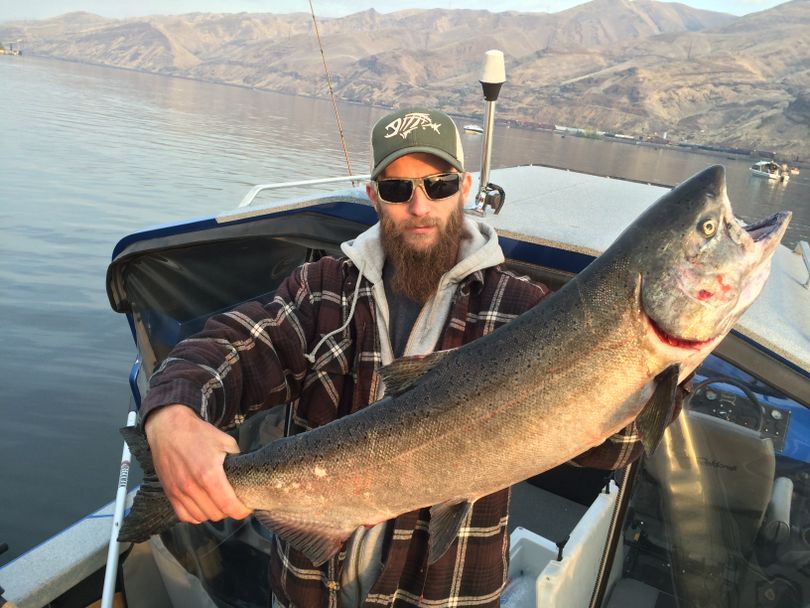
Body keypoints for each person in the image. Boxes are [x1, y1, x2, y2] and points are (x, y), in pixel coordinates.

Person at [140, 106, 687, 607]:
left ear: (465, 188)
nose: (419, 205)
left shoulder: (521, 310)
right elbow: (236, 343)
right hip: (310, 592)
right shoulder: (323, 290)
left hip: (444, 595)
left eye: (438, 183)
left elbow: (616, 446)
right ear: (375, 195)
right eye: (398, 188)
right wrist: (173, 413)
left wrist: (660, 367)